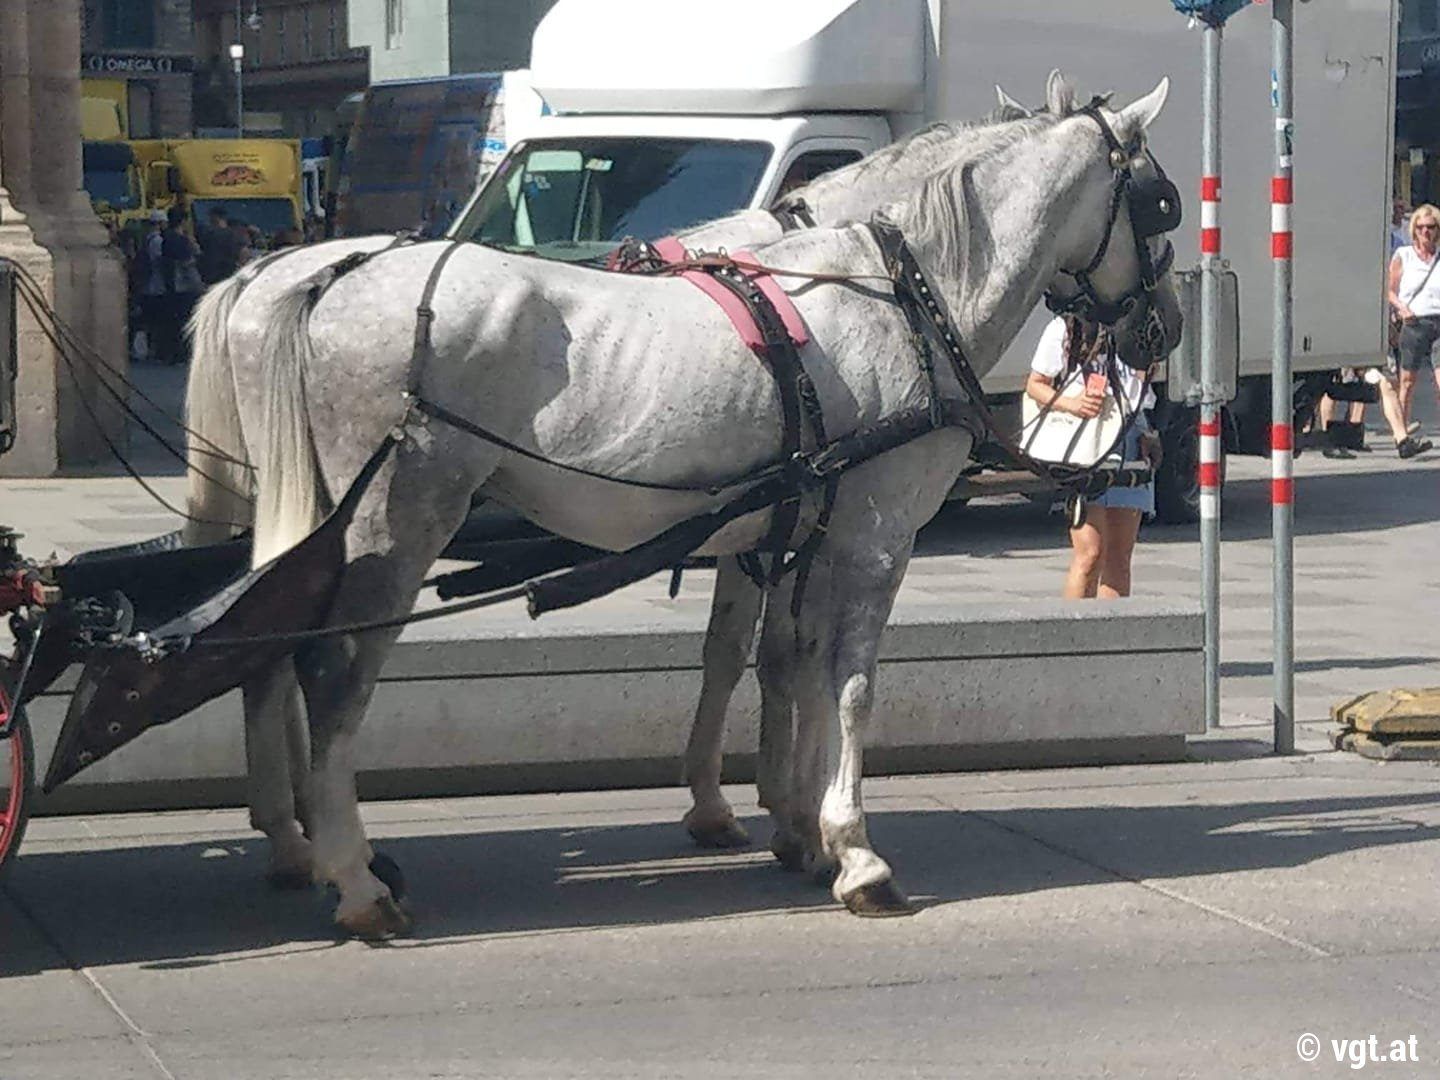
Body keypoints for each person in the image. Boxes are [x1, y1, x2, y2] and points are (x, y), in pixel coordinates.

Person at [1026, 315, 1161, 600]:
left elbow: (1143, 391)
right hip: (1084, 442)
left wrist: (1150, 431)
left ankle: (1110, 638)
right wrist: (1072, 404)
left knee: (1120, 558)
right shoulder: (1066, 327)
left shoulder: (1136, 328)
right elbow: (1035, 385)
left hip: (1130, 437)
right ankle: (1072, 637)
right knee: (1090, 553)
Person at [1388, 202, 1440, 441]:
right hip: (1414, 322)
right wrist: (1402, 308)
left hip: (1438, 321)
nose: (1425, 232)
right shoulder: (1404, 255)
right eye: (1420, 227)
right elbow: (1389, 290)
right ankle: (1402, 429)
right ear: (1414, 230)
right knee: (1407, 381)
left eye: (1430, 227)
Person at [198, 206, 242, 285]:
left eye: (211, 216)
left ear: (216, 217)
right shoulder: (232, 234)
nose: (209, 219)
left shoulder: (209, 234)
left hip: (213, 273)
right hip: (227, 272)